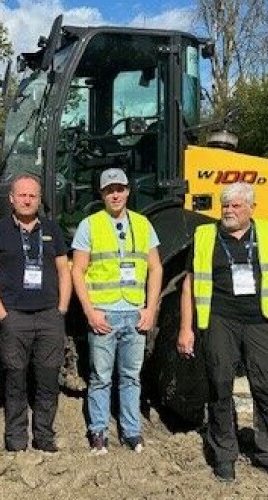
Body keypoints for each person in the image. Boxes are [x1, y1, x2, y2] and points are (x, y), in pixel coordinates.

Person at [176, 181, 268, 482]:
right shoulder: (205, 236)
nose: (229, 211)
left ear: (250, 207)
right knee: (220, 387)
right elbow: (189, 284)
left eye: (236, 205)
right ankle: (224, 457)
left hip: (260, 321)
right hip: (220, 321)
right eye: (226, 205)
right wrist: (186, 328)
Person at [70, 167, 162, 454]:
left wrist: (150, 308)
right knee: (100, 377)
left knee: (131, 377)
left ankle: (132, 432)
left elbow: (155, 267)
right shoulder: (90, 225)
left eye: (119, 189)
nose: (115, 194)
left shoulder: (143, 224)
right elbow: (78, 270)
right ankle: (99, 431)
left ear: (127, 191)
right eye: (109, 190)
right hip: (104, 314)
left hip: (134, 314)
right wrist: (90, 312)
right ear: (102, 194)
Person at [0, 173, 71, 453]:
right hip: (15, 319)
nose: (27, 200)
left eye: (32, 195)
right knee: (15, 382)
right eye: (22, 195)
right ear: (11, 199)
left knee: (47, 381)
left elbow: (63, 270)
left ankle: (44, 438)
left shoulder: (52, 229)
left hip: (48, 318)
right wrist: (2, 315)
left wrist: (61, 310)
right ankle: (16, 440)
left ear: (39, 199)